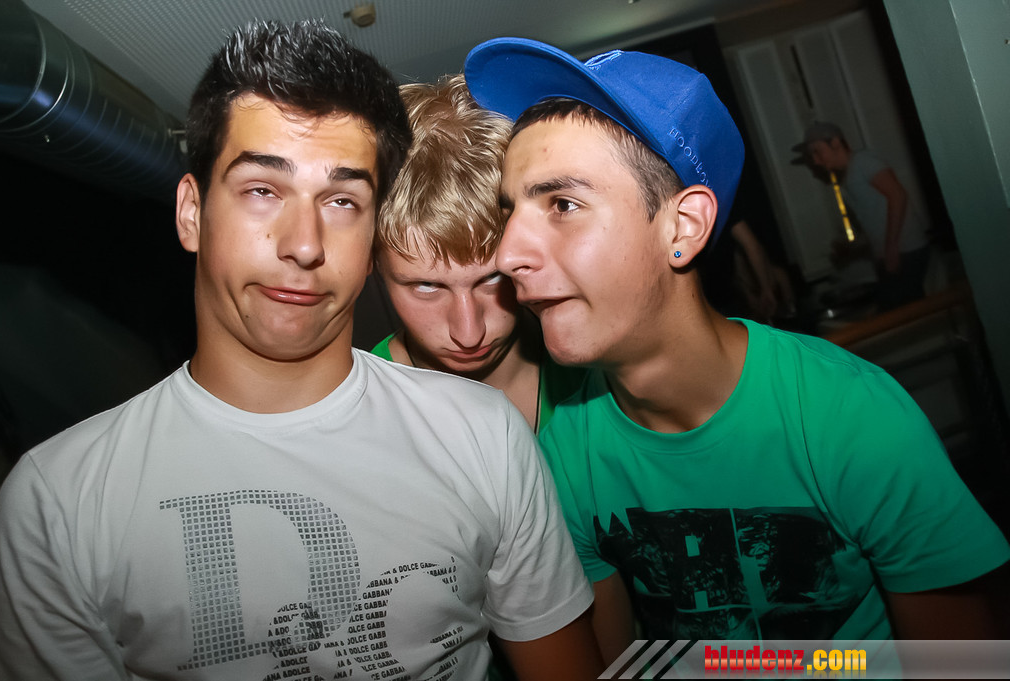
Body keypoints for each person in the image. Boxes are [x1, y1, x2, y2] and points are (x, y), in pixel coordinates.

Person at [0, 22, 602, 681]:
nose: (304, 243)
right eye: (262, 190)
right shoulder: (57, 504)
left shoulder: (484, 433)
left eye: (342, 200)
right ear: (191, 212)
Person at [464, 38, 1010, 661]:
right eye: (510, 212)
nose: (507, 254)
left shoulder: (852, 418)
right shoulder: (567, 446)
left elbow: (957, 663)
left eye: (563, 205)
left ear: (683, 226)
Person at [372, 74, 585, 434]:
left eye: (493, 278)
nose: (469, 333)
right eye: (427, 286)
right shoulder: (367, 412)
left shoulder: (604, 370)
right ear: (373, 265)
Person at [795, 121, 931, 310]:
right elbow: (876, 219)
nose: (816, 161)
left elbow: (898, 196)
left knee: (903, 313)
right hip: (891, 254)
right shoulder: (849, 175)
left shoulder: (863, 162)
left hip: (906, 251)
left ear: (835, 142)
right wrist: (852, 247)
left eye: (817, 152)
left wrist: (892, 248)